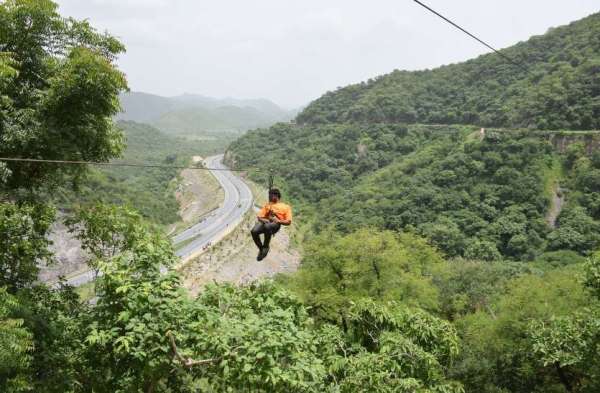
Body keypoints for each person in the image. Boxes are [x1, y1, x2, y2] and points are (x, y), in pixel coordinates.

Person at [251, 188, 292, 261]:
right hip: (266, 221)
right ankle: (261, 249)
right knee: (254, 231)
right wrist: (264, 220)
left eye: (270, 195)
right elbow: (259, 216)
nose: (269, 197)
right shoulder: (268, 205)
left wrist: (279, 221)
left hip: (275, 224)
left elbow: (288, 222)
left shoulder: (286, 207)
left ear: (276, 196)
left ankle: (266, 246)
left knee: (267, 226)